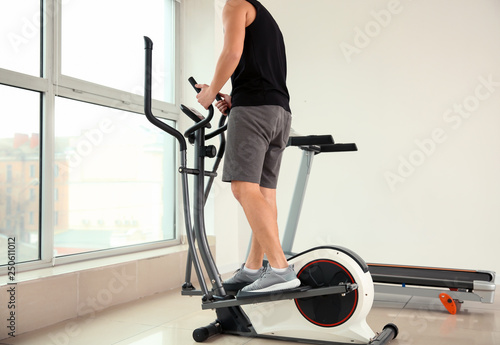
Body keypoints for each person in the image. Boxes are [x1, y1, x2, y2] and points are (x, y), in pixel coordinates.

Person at [195, 0, 300, 293]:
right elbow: (258, 70)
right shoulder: (265, 18)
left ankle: (280, 268)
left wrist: (212, 92)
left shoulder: (235, 4)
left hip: (254, 112)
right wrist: (233, 97)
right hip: (279, 113)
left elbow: (231, 53)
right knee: (264, 194)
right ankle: (254, 268)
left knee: (243, 189)